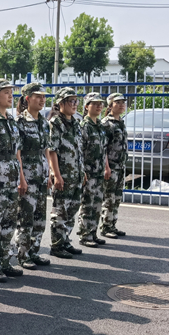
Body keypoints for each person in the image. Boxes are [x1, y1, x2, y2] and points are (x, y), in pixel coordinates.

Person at [0, 79, 27, 283]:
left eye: (11, 92)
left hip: (12, 176)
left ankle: (4, 261)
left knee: (10, 222)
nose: (11, 96)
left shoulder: (11, 120)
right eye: (6, 92)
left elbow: (17, 152)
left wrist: (21, 178)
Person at [14, 81, 51, 269]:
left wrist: (49, 172)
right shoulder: (20, 123)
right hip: (27, 176)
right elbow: (17, 153)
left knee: (39, 217)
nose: (42, 100)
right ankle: (23, 254)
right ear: (27, 99)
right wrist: (21, 178)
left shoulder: (44, 122)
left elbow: (46, 149)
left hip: (41, 175)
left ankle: (34, 251)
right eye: (38, 97)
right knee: (25, 217)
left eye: (43, 97)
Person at [47, 88, 85, 259]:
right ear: (60, 103)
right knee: (60, 211)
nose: (74, 104)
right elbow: (52, 150)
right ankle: (57, 245)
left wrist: (82, 171)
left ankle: (65, 241)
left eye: (76, 101)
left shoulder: (75, 123)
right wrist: (56, 174)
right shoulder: (56, 123)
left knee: (72, 209)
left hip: (76, 174)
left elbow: (78, 149)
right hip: (63, 175)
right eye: (71, 101)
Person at [77, 93, 110, 248]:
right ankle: (85, 235)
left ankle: (93, 233)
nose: (99, 106)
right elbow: (79, 151)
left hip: (99, 172)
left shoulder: (100, 126)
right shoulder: (84, 126)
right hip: (89, 172)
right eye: (95, 104)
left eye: (100, 104)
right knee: (87, 204)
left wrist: (106, 167)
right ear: (86, 106)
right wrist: (82, 170)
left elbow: (104, 149)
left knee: (97, 204)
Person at [100, 92, 128, 239]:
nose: (122, 105)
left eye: (123, 102)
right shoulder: (106, 124)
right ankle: (105, 226)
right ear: (110, 105)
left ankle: (112, 224)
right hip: (111, 166)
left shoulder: (120, 122)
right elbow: (103, 148)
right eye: (118, 102)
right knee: (109, 197)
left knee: (116, 198)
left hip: (120, 166)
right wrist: (106, 167)